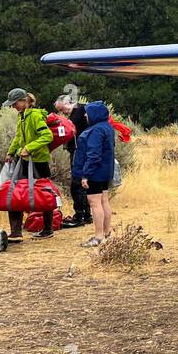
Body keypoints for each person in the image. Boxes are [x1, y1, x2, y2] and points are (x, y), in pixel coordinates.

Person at [5, 88, 56, 240]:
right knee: (16, 193)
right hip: (25, 161)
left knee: (45, 194)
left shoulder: (34, 116)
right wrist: (11, 152)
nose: (13, 107)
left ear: (24, 101)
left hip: (39, 162)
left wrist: (29, 147)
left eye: (15, 104)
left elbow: (47, 136)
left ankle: (47, 229)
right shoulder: (22, 116)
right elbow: (18, 136)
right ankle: (16, 232)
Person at [73, 99, 116, 248]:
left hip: (96, 172)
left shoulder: (96, 130)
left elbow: (94, 154)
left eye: (87, 113)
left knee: (94, 203)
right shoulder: (107, 127)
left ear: (95, 114)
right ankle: (106, 234)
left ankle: (98, 237)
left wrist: (86, 174)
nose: (85, 116)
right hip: (105, 171)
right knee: (104, 201)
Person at [55, 93, 90, 228]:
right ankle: (86, 214)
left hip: (79, 151)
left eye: (63, 109)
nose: (63, 113)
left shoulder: (80, 111)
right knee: (83, 182)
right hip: (81, 151)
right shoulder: (81, 110)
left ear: (68, 103)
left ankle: (79, 215)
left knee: (77, 183)